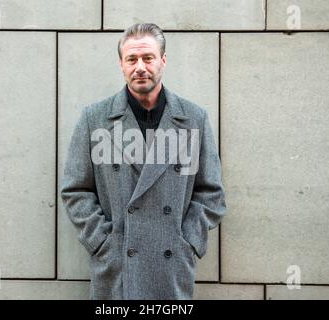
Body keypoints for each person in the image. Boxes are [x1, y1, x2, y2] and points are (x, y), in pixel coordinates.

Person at [61, 23, 227, 300]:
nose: (140, 67)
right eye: (132, 59)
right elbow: (75, 190)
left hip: (171, 264)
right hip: (117, 266)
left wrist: (187, 240)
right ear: (121, 64)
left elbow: (212, 193)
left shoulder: (194, 119)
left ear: (163, 60)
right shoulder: (95, 119)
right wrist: (102, 241)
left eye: (148, 58)